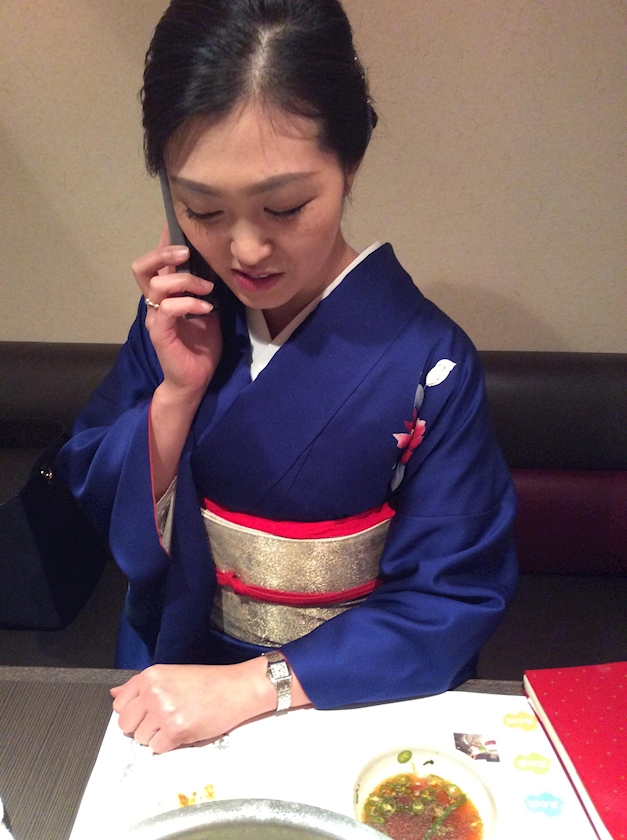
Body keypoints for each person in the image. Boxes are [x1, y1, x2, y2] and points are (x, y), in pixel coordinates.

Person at [57, 0, 517, 754]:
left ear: (350, 163)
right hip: (183, 668)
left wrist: (258, 685)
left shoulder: (430, 361)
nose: (244, 250)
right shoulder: (182, 316)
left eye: (284, 206)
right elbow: (97, 489)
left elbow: (452, 595)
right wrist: (176, 395)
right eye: (202, 209)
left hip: (346, 691)